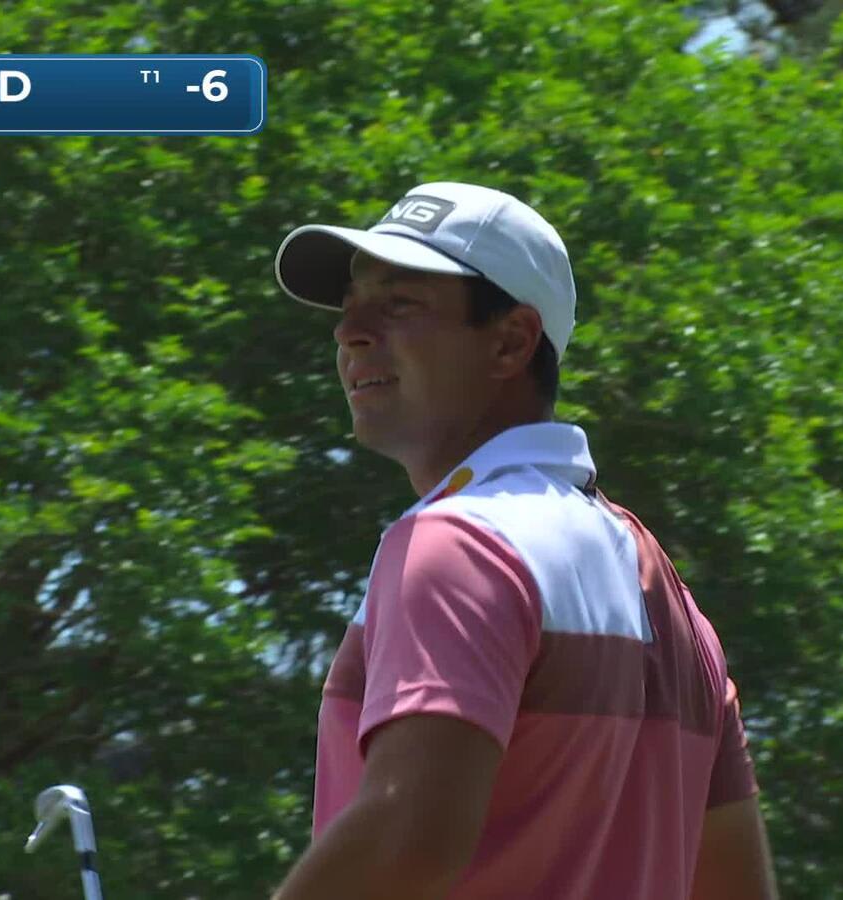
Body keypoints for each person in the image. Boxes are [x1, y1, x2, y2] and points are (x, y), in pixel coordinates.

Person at [268, 182, 778, 900]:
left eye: (400, 303)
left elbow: (404, 842)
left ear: (510, 341)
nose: (349, 331)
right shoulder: (680, 613)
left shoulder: (459, 543)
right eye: (351, 305)